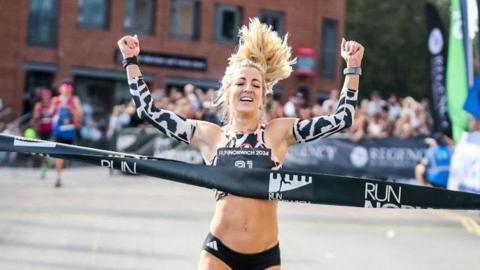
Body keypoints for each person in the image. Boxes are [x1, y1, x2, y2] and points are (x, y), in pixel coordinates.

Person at [117, 18, 364, 270]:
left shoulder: (279, 133)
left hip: (265, 256)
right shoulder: (209, 135)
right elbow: (149, 113)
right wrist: (130, 61)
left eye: (256, 84)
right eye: (240, 83)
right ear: (228, 92)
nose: (248, 88)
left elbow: (341, 119)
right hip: (219, 253)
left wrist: (352, 68)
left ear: (262, 98)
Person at [50, 80, 83, 188]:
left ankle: (60, 170)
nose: (67, 91)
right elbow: (51, 113)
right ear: (60, 89)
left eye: (68, 89)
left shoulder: (74, 100)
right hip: (59, 132)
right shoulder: (56, 100)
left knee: (64, 155)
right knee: (59, 155)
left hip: (70, 131)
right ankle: (58, 177)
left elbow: (80, 114)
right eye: (65, 89)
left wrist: (70, 108)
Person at [31, 88, 53, 178]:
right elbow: (34, 118)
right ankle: (44, 165)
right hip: (41, 130)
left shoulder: (52, 105)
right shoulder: (39, 105)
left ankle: (47, 164)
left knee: (49, 149)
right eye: (45, 96)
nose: (46, 98)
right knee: (42, 150)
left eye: (48, 96)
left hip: (50, 130)